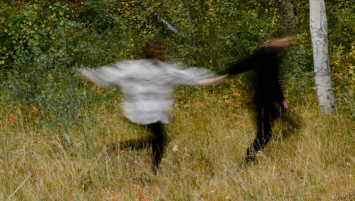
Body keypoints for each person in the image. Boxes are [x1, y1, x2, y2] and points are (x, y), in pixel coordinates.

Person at [78, 39, 226, 170]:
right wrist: (86, 73)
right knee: (160, 140)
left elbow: (189, 76)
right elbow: (111, 75)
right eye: (153, 51)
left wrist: (215, 79)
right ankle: (149, 167)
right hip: (139, 111)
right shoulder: (135, 68)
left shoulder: (166, 69)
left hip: (155, 112)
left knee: (158, 140)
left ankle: (122, 150)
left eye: (159, 51)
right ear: (147, 52)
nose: (156, 54)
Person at [224, 35, 296, 164]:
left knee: (290, 125)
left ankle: (254, 156)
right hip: (262, 101)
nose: (285, 43)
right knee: (264, 135)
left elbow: (274, 80)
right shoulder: (263, 54)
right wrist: (227, 73)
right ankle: (245, 163)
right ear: (275, 40)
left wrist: (282, 100)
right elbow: (245, 63)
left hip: (269, 102)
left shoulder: (274, 56)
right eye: (283, 40)